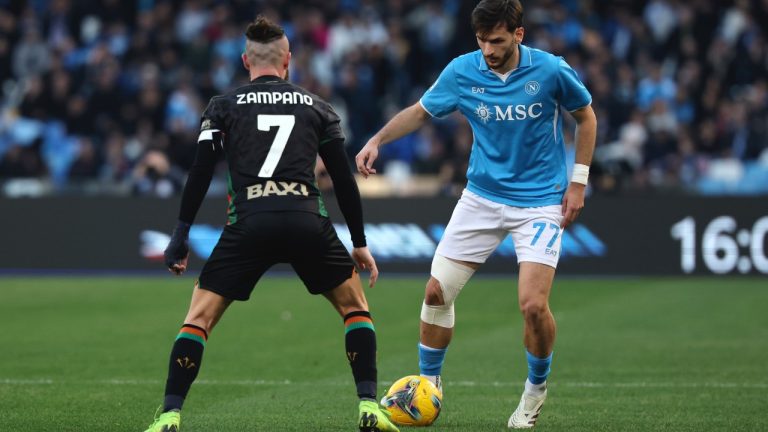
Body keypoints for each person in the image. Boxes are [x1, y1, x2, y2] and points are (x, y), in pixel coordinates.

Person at [145, 16, 399, 432]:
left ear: (246, 60)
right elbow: (342, 180)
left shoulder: (222, 106)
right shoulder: (318, 107)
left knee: (199, 319)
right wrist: (359, 241)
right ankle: (369, 408)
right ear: (288, 61)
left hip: (250, 222)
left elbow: (199, 172)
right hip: (305, 220)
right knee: (356, 309)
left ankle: (170, 415)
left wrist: (180, 235)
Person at [355, 0, 597, 429]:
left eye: (497, 40)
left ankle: (535, 391)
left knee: (532, 306)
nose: (487, 49)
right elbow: (419, 111)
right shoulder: (462, 71)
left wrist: (577, 182)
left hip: (540, 201)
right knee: (434, 293)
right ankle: (429, 386)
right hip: (481, 198)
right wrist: (377, 140)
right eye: (482, 40)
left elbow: (585, 116)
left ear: (518, 35)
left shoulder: (550, 70)